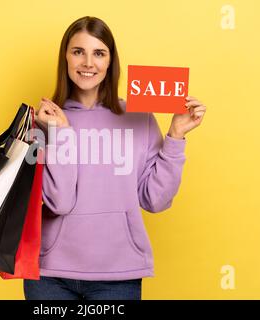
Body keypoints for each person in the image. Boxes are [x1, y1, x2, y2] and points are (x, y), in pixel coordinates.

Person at [25, 16, 207, 300]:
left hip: (119, 276)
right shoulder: (41, 123)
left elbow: (155, 200)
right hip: (50, 275)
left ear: (110, 61)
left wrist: (175, 136)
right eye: (78, 52)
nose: (88, 63)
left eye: (99, 53)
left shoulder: (139, 116)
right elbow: (59, 202)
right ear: (65, 58)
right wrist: (60, 133)